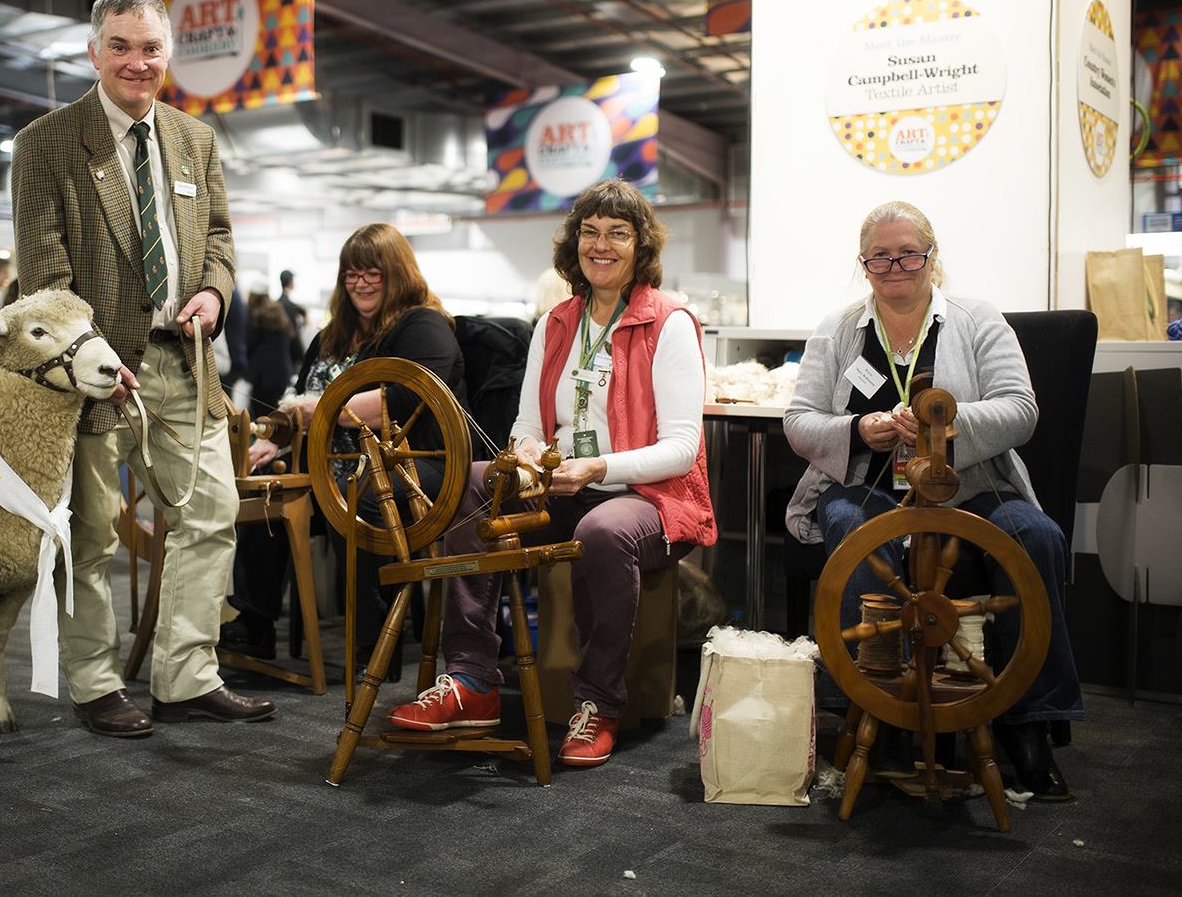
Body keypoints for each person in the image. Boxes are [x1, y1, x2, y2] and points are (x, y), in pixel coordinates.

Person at [11, 0, 274, 736]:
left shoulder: (195, 139)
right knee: (91, 533)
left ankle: (185, 676)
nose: (136, 62)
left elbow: (219, 239)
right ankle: (94, 683)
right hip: (94, 373)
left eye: (149, 47)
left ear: (170, 55)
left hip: (184, 363)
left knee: (212, 513)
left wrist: (215, 297)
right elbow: (44, 276)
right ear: (94, 53)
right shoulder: (47, 144)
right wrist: (88, 354)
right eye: (119, 47)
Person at [386, 179, 714, 768]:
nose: (602, 245)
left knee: (603, 531)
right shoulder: (557, 322)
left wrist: (596, 466)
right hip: (566, 488)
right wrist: (533, 458)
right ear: (574, 244)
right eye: (590, 232)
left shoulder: (670, 323)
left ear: (641, 247)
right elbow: (528, 426)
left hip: (652, 499)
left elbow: (682, 450)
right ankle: (473, 679)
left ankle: (598, 704)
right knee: (474, 482)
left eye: (618, 233)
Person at [782, 200, 1082, 800]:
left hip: (971, 488)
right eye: (880, 257)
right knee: (848, 525)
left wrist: (940, 425)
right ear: (863, 265)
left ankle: (1030, 725)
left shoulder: (977, 319)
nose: (896, 266)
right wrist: (858, 430)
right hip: (869, 487)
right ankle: (871, 701)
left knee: (1038, 538)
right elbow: (798, 422)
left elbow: (1021, 410)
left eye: (909, 253)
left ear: (932, 256)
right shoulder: (838, 329)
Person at [222, 224, 466, 665]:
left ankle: (375, 643)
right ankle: (255, 621)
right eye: (351, 273)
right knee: (267, 484)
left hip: (415, 466)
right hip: (332, 463)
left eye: (373, 272)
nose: (361, 282)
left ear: (398, 273)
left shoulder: (423, 325)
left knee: (363, 493)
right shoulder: (330, 336)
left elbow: (407, 397)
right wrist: (277, 444)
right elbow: (298, 407)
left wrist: (321, 408)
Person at [243, 289, 296, 417]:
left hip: (262, 378)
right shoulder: (280, 313)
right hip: (282, 374)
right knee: (277, 415)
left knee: (261, 418)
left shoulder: (255, 316)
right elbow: (293, 341)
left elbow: (249, 345)